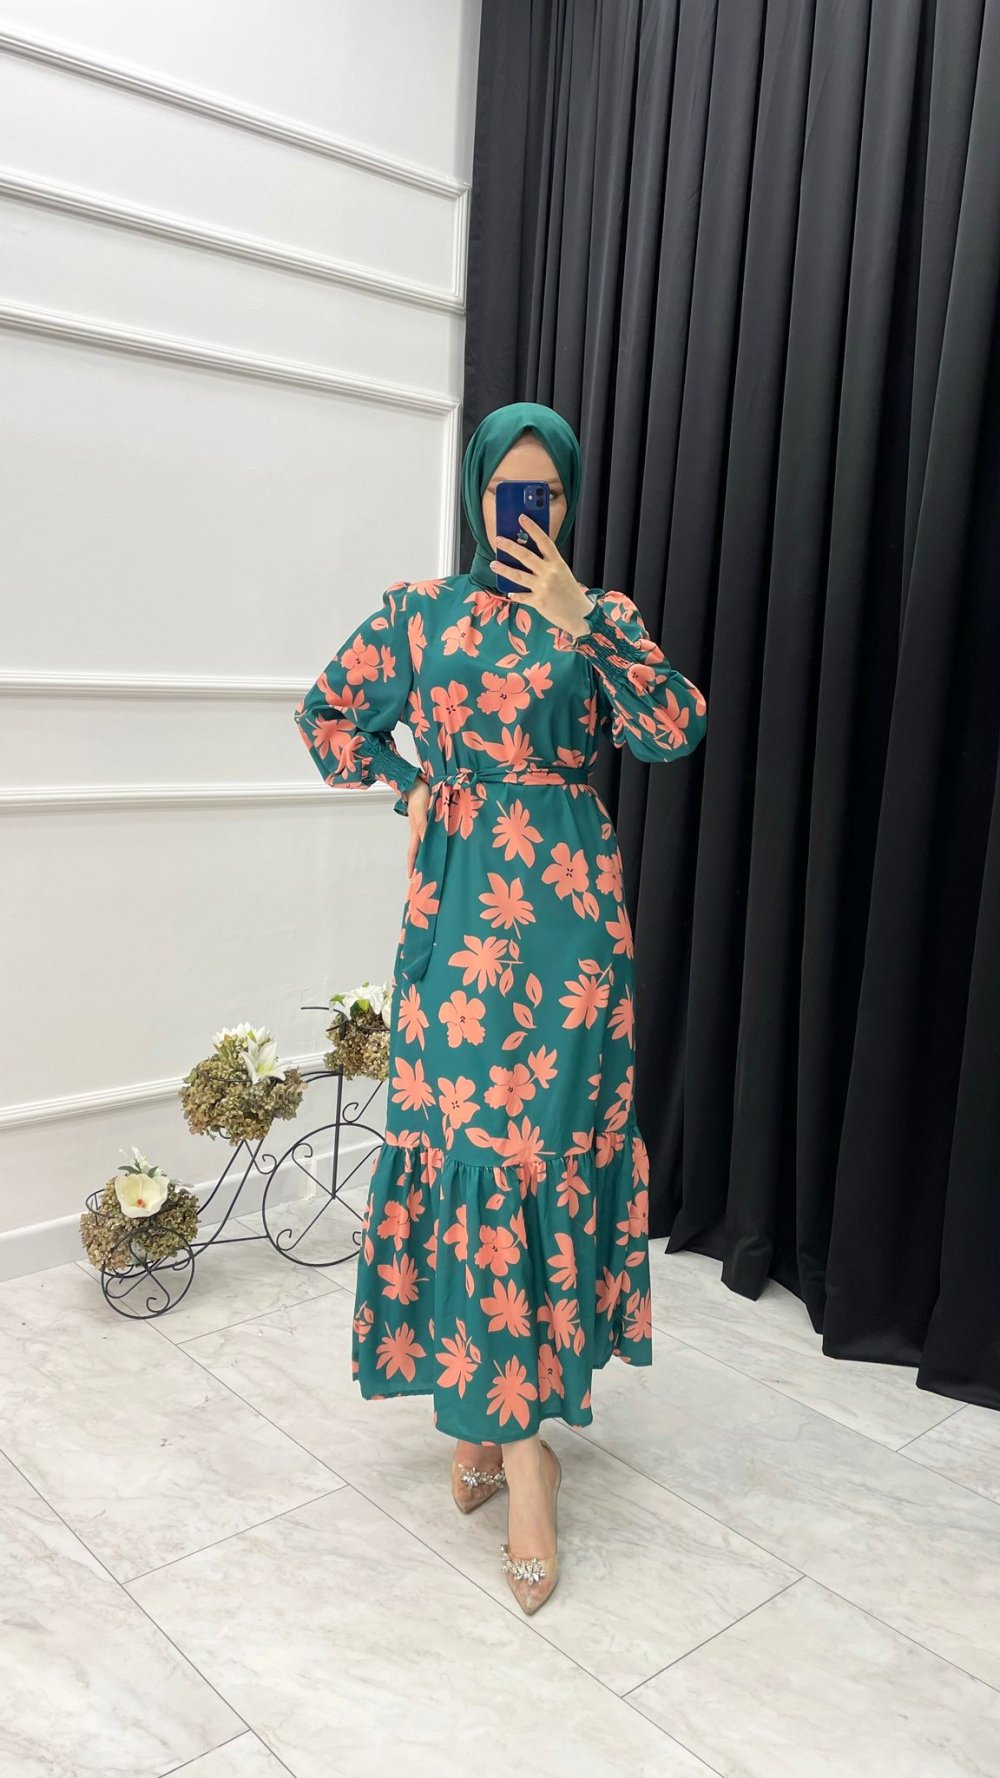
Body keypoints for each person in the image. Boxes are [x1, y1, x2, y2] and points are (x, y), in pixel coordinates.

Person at [294, 401, 707, 1612]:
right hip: (456, 926)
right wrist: (412, 782)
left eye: (548, 494)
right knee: (467, 1158)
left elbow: (673, 729)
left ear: (569, 502)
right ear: (476, 492)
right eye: (505, 491)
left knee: (544, 1160)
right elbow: (326, 717)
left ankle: (508, 1444)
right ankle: (511, 1437)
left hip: (572, 935)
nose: (525, 512)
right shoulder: (418, 613)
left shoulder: (598, 613)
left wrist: (586, 620)